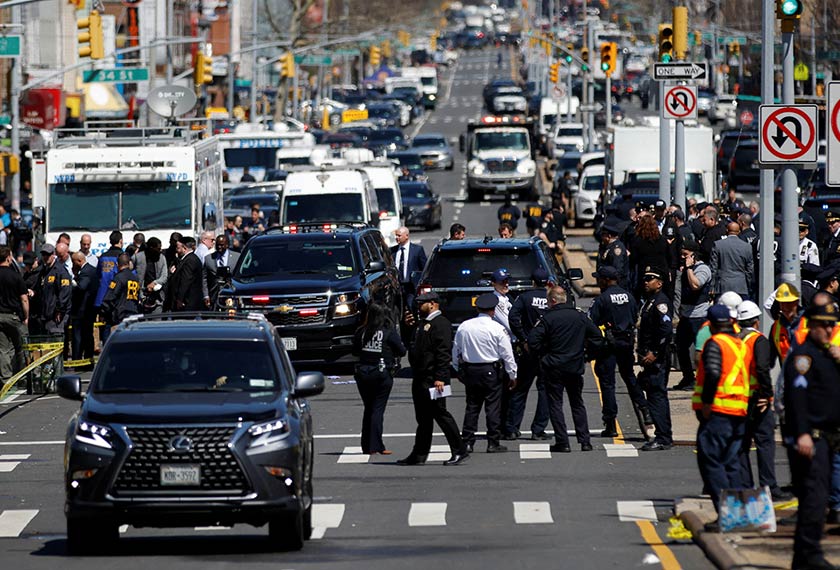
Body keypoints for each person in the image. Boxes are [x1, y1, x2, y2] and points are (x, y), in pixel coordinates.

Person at [782, 301, 840, 569]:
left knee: (817, 496)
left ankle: (802, 557)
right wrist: (803, 433)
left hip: (828, 439)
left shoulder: (828, 356)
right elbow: (798, 398)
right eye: (824, 324)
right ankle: (811, 553)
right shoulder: (804, 357)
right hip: (811, 439)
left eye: (832, 324)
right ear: (812, 326)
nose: (829, 329)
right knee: (814, 498)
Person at [528, 286, 605, 453]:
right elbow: (598, 337)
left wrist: (544, 355)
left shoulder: (548, 318)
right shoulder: (579, 316)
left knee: (555, 404)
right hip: (574, 366)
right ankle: (585, 441)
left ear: (553, 301)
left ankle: (563, 442)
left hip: (554, 366)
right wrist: (586, 355)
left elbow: (533, 341)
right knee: (577, 403)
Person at [693, 304, 750, 516]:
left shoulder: (715, 343)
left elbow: (714, 373)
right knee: (732, 462)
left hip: (719, 411)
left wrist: (706, 403)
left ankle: (726, 513)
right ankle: (738, 512)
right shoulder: (739, 344)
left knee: (711, 461)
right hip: (738, 412)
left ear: (711, 324)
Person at [398, 292, 468, 466]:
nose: (417, 306)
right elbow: (413, 345)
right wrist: (408, 327)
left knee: (440, 414)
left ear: (432, 304)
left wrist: (441, 377)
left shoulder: (440, 324)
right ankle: (419, 453)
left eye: (421, 303)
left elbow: (443, 353)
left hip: (433, 379)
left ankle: (459, 449)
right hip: (421, 377)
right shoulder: (423, 323)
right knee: (423, 418)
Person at [736, 300, 791, 502]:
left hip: (739, 399)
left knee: (742, 444)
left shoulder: (735, 339)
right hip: (757, 398)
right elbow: (762, 368)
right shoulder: (758, 340)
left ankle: (745, 486)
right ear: (757, 321)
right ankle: (769, 486)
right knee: (765, 442)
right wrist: (766, 395)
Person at [588, 266, 652, 439]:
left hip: (608, 346)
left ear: (606, 280)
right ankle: (645, 411)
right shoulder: (629, 296)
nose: (597, 281)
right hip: (626, 342)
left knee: (608, 383)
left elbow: (591, 323)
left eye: (599, 278)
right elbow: (634, 317)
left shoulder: (602, 299)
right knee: (630, 377)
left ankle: (610, 424)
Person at [453, 292, 517, 453]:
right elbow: (507, 354)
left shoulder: (465, 326)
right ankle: (493, 442)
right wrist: (512, 374)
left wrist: (457, 369)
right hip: (490, 370)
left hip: (470, 370)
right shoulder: (497, 328)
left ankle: (467, 441)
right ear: (493, 310)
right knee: (492, 407)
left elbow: (456, 350)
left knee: (472, 407)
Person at [352, 302, 406, 456]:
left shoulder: (361, 331)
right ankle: (376, 446)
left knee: (368, 408)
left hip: (363, 373)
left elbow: (355, 351)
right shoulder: (388, 331)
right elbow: (401, 351)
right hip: (381, 373)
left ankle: (367, 445)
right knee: (377, 409)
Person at [506, 268, 552, 440]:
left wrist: (523, 338)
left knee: (520, 390)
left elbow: (513, 317)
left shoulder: (525, 297)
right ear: (548, 282)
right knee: (545, 391)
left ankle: (511, 428)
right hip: (547, 350)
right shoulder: (551, 298)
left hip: (528, 350)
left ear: (533, 281)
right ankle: (538, 430)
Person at [636, 267, 674, 451]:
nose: (646, 282)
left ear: (659, 284)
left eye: (650, 279)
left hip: (657, 359)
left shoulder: (660, 303)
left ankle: (663, 436)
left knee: (657, 396)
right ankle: (663, 434)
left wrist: (655, 353)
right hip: (648, 357)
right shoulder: (649, 301)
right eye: (645, 278)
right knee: (653, 395)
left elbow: (665, 331)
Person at [673, 241, 713, 391]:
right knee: (681, 347)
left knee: (701, 350)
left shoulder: (702, 269)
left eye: (686, 255)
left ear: (694, 255)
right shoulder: (686, 269)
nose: (683, 257)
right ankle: (688, 378)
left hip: (699, 316)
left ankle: (704, 380)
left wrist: (689, 268)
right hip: (686, 314)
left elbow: (696, 285)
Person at [32, 243, 72, 335]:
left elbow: (65, 293)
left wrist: (59, 310)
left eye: (48, 254)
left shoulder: (60, 271)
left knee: (56, 341)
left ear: (53, 254)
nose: (46, 257)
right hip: (45, 315)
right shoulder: (43, 271)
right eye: (44, 254)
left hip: (56, 316)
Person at [0, 246, 27, 380]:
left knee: (3, 349)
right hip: (13, 315)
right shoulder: (15, 276)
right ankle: (22, 375)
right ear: (8, 258)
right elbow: (24, 299)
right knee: (21, 345)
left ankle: (6, 378)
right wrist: (26, 316)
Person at [710, 221, 754, 300]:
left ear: (727, 230)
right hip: (741, 285)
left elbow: (714, 268)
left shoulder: (718, 245)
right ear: (739, 232)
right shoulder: (747, 247)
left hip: (722, 285)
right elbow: (749, 270)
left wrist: (712, 286)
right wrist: (748, 284)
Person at [94, 231, 123, 343]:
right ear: (121, 241)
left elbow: (98, 277)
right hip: (118, 298)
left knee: (105, 327)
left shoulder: (103, 257)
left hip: (103, 298)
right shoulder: (123, 257)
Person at [629, 215, 668, 299]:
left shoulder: (637, 240)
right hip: (661, 270)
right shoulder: (662, 240)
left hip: (644, 271)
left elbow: (634, 259)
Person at [391, 226, 428, 314]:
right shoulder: (392, 251)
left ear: (406, 236)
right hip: (397, 287)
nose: (397, 238)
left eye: (399, 236)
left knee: (411, 307)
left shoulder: (417, 250)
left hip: (411, 286)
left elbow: (424, 269)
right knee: (398, 310)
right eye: (396, 235)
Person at [69, 252, 97, 365]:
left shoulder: (85, 272)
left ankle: (77, 361)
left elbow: (81, 287)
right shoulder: (92, 270)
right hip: (89, 309)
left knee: (78, 336)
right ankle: (87, 359)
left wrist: (72, 282)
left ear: (79, 261)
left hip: (82, 310)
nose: (72, 264)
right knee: (87, 335)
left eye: (73, 261)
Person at [100, 254, 140, 326]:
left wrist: (104, 312)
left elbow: (110, 297)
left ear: (117, 264)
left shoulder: (119, 278)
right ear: (128, 263)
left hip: (121, 315)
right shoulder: (135, 278)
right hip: (134, 313)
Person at [167, 237, 204, 311]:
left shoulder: (190, 260)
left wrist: (180, 299)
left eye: (178, 248)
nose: (176, 250)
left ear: (184, 248)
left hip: (187, 302)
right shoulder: (186, 259)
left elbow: (185, 281)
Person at [203, 235, 240, 308]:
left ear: (227, 245)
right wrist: (206, 295)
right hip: (214, 295)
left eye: (222, 245)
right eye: (218, 245)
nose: (219, 247)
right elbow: (204, 278)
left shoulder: (237, 257)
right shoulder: (208, 258)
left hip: (231, 293)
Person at [132, 237, 168, 314]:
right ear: (151, 248)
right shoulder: (138, 257)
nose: (160, 250)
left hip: (157, 297)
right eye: (158, 248)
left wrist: (154, 283)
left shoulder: (162, 258)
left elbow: (164, 276)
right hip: (140, 297)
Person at [597, 222, 629, 290]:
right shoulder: (606, 247)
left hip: (616, 286)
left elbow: (617, 270)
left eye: (603, 235)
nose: (601, 238)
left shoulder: (616, 249)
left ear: (609, 236)